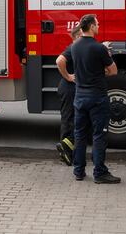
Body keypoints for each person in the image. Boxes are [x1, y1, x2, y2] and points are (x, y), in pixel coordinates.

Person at [60, 14, 120, 184]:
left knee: (79, 135)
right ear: (91, 27)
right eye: (97, 24)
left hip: (80, 97)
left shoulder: (74, 46)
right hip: (97, 98)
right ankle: (99, 172)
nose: (99, 27)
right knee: (98, 135)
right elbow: (113, 71)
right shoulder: (99, 48)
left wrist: (69, 77)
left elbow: (62, 61)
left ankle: (78, 171)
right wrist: (106, 54)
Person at [55, 25, 82, 166]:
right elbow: (59, 61)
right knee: (69, 119)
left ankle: (66, 150)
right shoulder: (73, 48)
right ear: (77, 36)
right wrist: (69, 77)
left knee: (71, 119)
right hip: (69, 88)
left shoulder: (78, 48)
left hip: (70, 88)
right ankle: (65, 149)